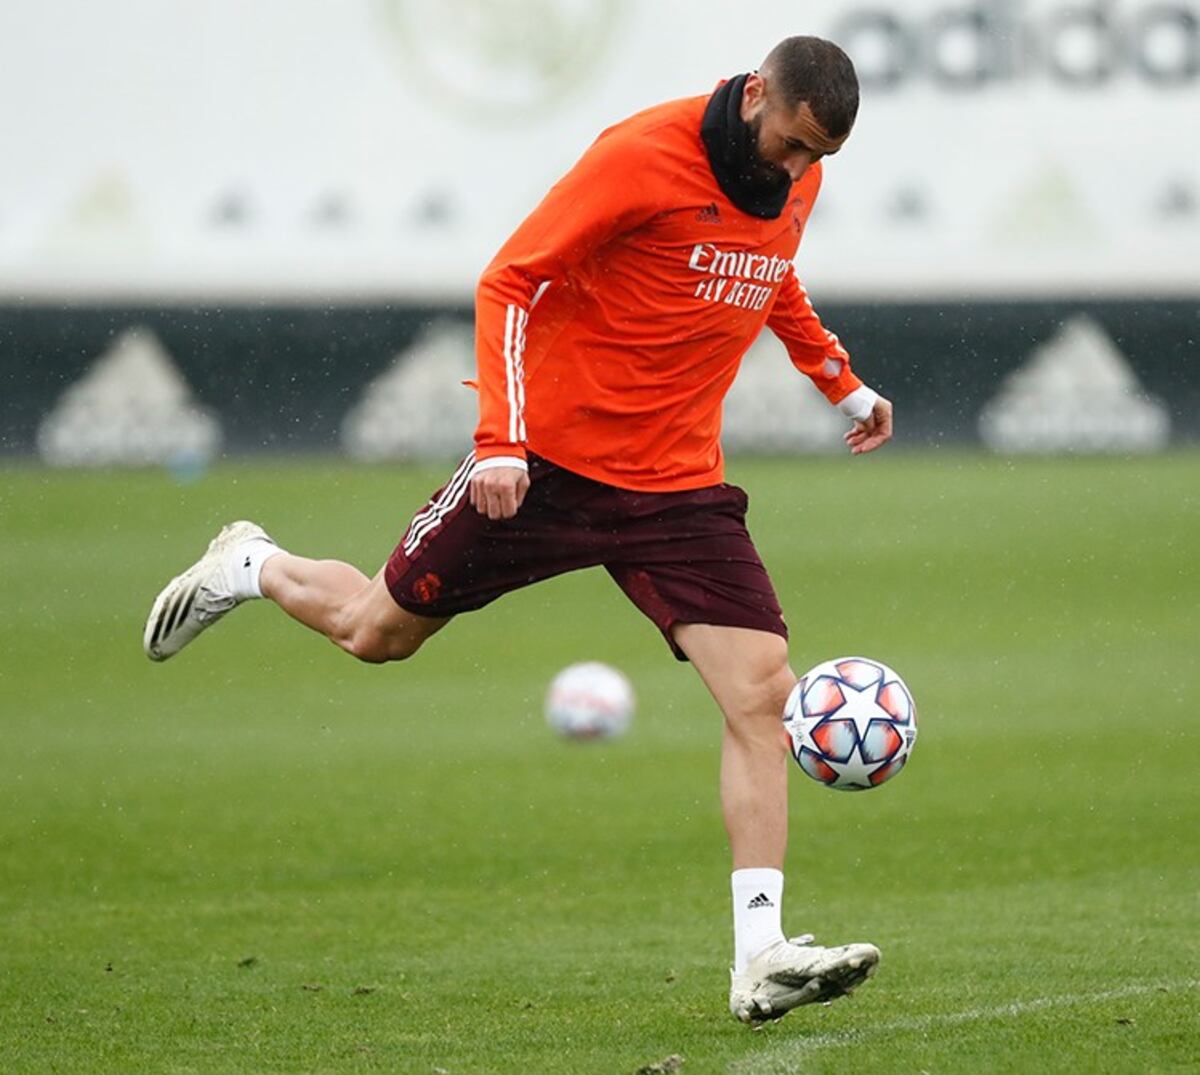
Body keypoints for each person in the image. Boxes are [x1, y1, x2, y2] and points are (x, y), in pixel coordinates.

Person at [144, 35, 894, 1024]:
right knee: (376, 633)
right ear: (756, 95)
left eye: (817, 160)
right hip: (546, 466)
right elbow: (510, 278)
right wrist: (501, 440)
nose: (798, 171)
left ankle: (759, 957)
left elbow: (770, 273)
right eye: (792, 145)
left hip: (677, 488)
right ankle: (250, 561)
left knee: (761, 693)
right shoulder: (640, 155)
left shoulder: (790, 181)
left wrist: (838, 378)